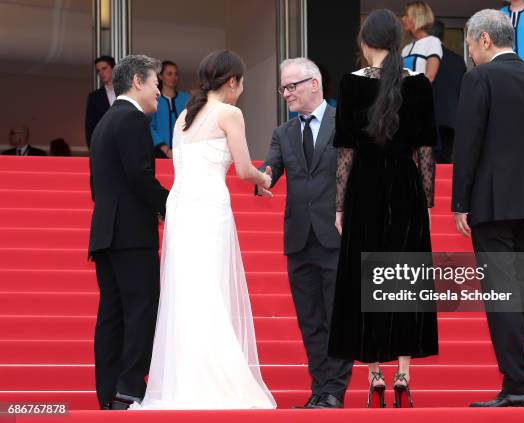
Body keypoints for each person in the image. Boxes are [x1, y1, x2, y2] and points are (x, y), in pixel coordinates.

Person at [133, 50, 276, 410]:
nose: (241, 91)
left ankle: (187, 378)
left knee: (188, 292)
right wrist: (264, 178)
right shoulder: (230, 113)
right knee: (209, 290)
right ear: (232, 82)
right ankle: (215, 379)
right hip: (209, 208)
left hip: (182, 209)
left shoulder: (184, 115)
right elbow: (244, 169)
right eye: (241, 83)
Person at [327, 9, 438, 409]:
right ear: (398, 42)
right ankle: (403, 375)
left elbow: (345, 153)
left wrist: (340, 206)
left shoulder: (350, 84)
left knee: (365, 277)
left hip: (364, 187)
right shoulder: (420, 84)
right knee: (403, 276)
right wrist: (426, 203)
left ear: (364, 42)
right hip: (406, 187)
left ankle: (374, 375)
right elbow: (426, 150)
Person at [452, 9, 524, 408]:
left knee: (502, 295)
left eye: (469, 43)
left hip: (492, 204)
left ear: (484, 40)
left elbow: (468, 143)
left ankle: (517, 385)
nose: (469, 52)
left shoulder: (478, 79)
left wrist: (460, 203)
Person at [257, 58, 353, 409]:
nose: (286, 94)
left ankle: (334, 391)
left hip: (337, 237)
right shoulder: (283, 133)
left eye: (290, 86)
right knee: (310, 320)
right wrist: (261, 179)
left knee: (336, 317)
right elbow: (271, 167)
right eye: (282, 88)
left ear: (314, 84)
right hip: (299, 240)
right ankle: (321, 388)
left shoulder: (345, 122)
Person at [88, 55, 169, 410]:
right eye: (155, 83)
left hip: (106, 232)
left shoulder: (105, 122)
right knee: (141, 311)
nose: (159, 91)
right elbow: (139, 177)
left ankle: (109, 394)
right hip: (132, 234)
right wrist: (173, 205)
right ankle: (129, 390)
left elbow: (97, 186)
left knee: (112, 315)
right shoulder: (133, 120)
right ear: (138, 81)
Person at [428, 20, 467, 163]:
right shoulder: (457, 60)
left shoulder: (424, 57)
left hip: (429, 119)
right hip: (450, 120)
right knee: (445, 164)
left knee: (426, 166)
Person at [150, 60, 190, 159]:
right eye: (169, 74)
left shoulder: (186, 98)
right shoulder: (153, 99)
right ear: (160, 76)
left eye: (176, 74)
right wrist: (165, 149)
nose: (173, 77)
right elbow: (149, 126)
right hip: (160, 152)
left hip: (185, 151)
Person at [401, 1, 442, 82]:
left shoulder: (432, 42)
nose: (403, 18)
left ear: (417, 17)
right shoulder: (406, 49)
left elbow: (430, 77)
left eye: (407, 15)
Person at [85, 56, 116, 148]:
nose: (101, 73)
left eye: (104, 68)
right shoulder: (94, 97)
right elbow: (89, 126)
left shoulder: (128, 92)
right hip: (103, 145)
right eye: (98, 71)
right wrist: (93, 148)